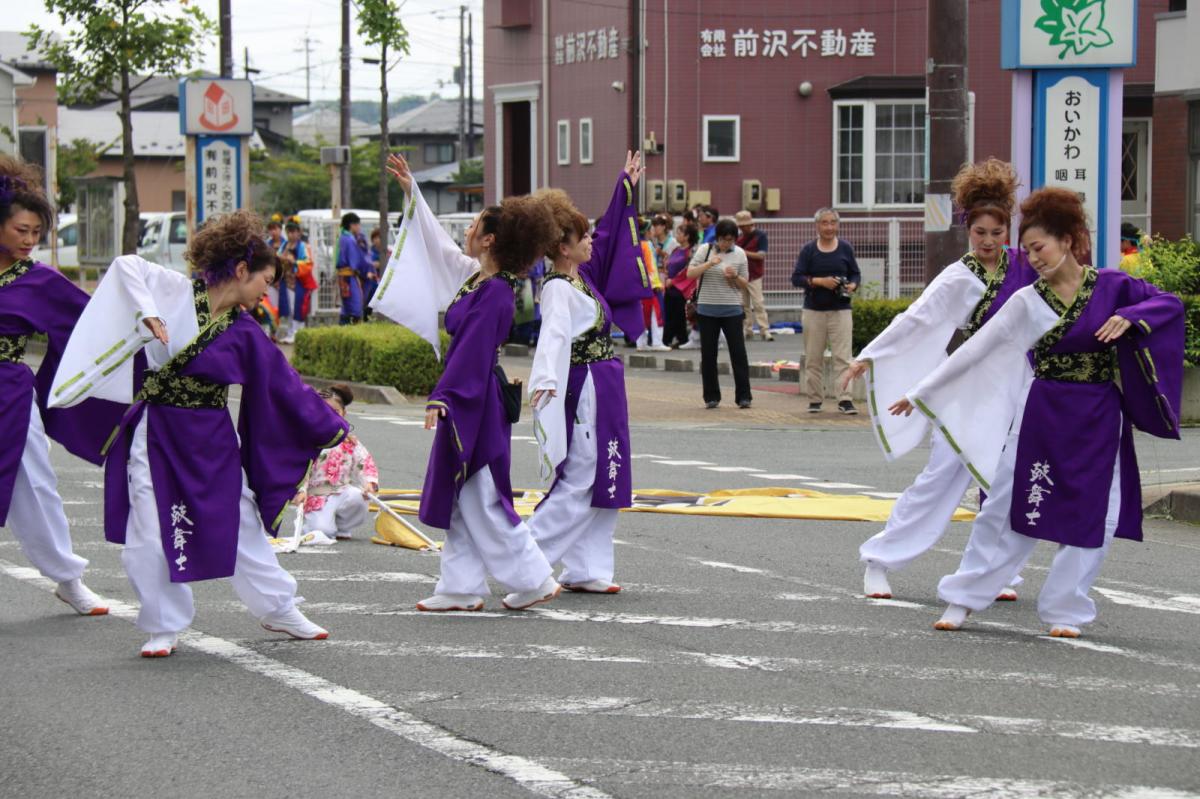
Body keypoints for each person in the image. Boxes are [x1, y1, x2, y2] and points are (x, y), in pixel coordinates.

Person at [50, 210, 350, 658]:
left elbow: (284, 385)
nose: (265, 294)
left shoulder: (246, 331)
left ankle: (279, 607)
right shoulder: (172, 291)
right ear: (242, 270)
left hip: (210, 438)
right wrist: (148, 312)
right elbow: (125, 266)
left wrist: (329, 423)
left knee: (241, 524)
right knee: (150, 531)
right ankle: (163, 624)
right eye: (264, 282)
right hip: (155, 433)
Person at [892, 187, 1184, 637]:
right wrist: (920, 393)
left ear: (1068, 240)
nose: (1034, 259)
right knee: (1009, 505)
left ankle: (1066, 609)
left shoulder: (1113, 286)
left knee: (1098, 514)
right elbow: (973, 351)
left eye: (1039, 247)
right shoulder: (1028, 301)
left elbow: (1169, 303)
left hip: (1100, 415)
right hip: (1045, 412)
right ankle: (963, 598)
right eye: (1027, 251)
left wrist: (1132, 318)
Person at [843, 159, 1037, 600]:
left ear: (1009, 230)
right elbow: (916, 320)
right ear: (967, 230)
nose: (988, 242)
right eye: (979, 233)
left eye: (996, 233)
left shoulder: (1026, 266)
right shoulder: (958, 276)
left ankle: (993, 569)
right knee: (942, 476)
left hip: (1020, 386)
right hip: (968, 385)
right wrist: (869, 356)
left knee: (1005, 479)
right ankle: (880, 559)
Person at [382, 152, 562, 612]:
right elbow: (437, 245)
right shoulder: (477, 279)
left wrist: (444, 395)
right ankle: (459, 588)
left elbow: (472, 353)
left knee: (481, 494)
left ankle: (535, 577)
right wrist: (413, 193)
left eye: (474, 226)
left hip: (475, 398)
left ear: (489, 240)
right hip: (475, 393)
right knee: (463, 494)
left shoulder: (494, 291)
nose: (464, 231)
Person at [0, 155, 124, 618]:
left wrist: (144, 318)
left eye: (37, 232)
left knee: (35, 481)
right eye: (21, 231)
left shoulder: (40, 280)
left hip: (8, 390)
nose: (30, 240)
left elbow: (94, 323)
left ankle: (69, 580)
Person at [527, 152, 651, 595]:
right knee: (581, 475)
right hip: (585, 387)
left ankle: (587, 568)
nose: (593, 240)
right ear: (564, 246)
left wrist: (625, 186)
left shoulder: (581, 278)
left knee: (607, 475)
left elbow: (614, 231)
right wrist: (544, 382)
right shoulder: (559, 289)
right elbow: (553, 339)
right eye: (585, 236)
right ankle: (526, 560)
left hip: (605, 383)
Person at [791, 208, 861, 414]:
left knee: (843, 357)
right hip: (814, 310)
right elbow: (796, 278)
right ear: (817, 225)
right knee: (814, 357)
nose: (829, 227)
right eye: (825, 223)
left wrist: (852, 286)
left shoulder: (846, 248)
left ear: (837, 225)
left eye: (833, 222)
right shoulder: (809, 250)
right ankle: (814, 399)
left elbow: (855, 274)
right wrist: (820, 281)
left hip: (841, 310)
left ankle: (845, 399)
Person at [295, 384, 379, 545]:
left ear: (344, 413)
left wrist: (369, 483)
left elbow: (364, 461)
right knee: (322, 532)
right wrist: (301, 490)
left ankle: (342, 527)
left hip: (342, 491)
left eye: (336, 412)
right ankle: (315, 524)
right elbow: (300, 468)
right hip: (317, 495)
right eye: (324, 412)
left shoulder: (349, 440)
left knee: (358, 498)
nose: (330, 417)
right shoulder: (307, 439)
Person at [687, 218, 753, 409]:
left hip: (732, 309)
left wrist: (735, 276)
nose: (727, 243)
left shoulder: (740, 254)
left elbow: (744, 283)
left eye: (731, 240)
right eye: (724, 239)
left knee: (738, 353)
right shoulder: (705, 250)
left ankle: (744, 396)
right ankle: (711, 396)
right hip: (707, 309)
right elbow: (690, 274)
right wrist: (709, 263)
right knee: (708, 354)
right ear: (717, 238)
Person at [735, 210, 773, 341]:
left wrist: (743, 252)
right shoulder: (738, 238)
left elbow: (761, 255)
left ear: (749, 224)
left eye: (743, 225)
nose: (741, 228)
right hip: (741, 275)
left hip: (755, 274)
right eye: (740, 226)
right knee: (744, 304)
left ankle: (764, 330)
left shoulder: (760, 236)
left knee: (758, 303)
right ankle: (748, 330)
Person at [663, 220, 699, 348]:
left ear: (687, 236)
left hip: (680, 288)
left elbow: (687, 270)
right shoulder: (676, 249)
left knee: (678, 315)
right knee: (670, 314)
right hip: (670, 287)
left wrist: (673, 281)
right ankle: (677, 339)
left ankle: (671, 339)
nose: (677, 235)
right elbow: (668, 264)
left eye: (679, 233)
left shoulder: (690, 252)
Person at [336, 212, 377, 325]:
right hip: (349, 277)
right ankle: (349, 331)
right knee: (355, 306)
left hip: (344, 276)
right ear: (352, 225)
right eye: (358, 224)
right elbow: (357, 259)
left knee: (347, 305)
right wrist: (367, 271)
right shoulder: (349, 240)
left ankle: (343, 329)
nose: (359, 227)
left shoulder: (342, 237)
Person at [276, 220, 311, 343]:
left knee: (298, 306)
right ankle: (291, 331)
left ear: (298, 233)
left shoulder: (303, 246)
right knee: (289, 307)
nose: (291, 235)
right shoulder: (284, 245)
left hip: (298, 280)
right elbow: (278, 256)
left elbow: (308, 262)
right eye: (289, 232)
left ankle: (298, 332)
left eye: (293, 232)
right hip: (286, 280)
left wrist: (294, 262)